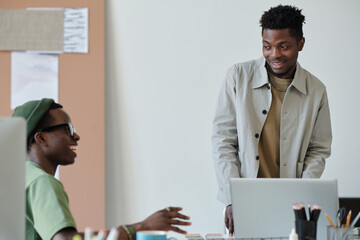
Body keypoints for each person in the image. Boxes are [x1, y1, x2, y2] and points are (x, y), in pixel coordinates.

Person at [212, 5, 332, 236]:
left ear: (301, 44)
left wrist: (302, 199)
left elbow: (318, 150)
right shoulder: (237, 77)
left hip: (292, 205)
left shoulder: (316, 90)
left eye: (283, 46)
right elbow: (223, 141)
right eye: (267, 46)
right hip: (244, 201)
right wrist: (231, 198)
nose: (274, 54)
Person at [12, 98, 191, 240]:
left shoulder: (20, 178)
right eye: (68, 129)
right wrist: (140, 228)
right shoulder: (41, 182)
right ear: (41, 138)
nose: (76, 136)